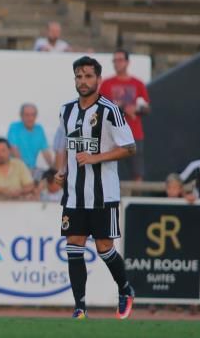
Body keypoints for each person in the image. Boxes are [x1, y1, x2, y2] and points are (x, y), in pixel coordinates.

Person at [54, 56, 136, 320]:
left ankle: (125, 289)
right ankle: (80, 307)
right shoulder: (66, 110)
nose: (83, 81)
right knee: (73, 245)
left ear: (98, 80)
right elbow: (65, 144)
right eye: (79, 76)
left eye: (88, 76)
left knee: (104, 248)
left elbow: (129, 147)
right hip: (75, 194)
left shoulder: (110, 110)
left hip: (103, 194)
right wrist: (62, 170)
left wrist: (95, 158)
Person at [99, 49, 150, 181]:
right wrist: (123, 108)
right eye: (115, 60)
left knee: (137, 173)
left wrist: (135, 109)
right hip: (112, 135)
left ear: (127, 62)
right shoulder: (106, 84)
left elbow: (146, 108)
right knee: (108, 171)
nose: (117, 63)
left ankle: (136, 200)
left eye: (120, 60)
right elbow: (101, 107)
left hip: (134, 134)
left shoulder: (138, 84)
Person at [7, 103, 54, 176]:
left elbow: (46, 153)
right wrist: (25, 170)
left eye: (33, 115)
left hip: (32, 169)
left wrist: (54, 170)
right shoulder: (14, 127)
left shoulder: (39, 129)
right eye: (27, 115)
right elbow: (14, 150)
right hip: (15, 170)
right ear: (21, 115)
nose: (30, 118)